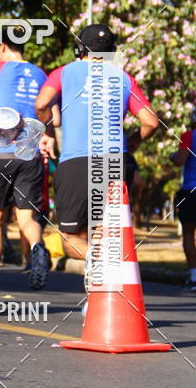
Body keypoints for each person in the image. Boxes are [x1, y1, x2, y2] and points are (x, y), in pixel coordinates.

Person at [35, 24, 159, 264]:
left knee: (71, 237)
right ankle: (99, 295)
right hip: (117, 162)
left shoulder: (64, 72)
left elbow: (41, 104)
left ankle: (100, 263)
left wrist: (48, 132)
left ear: (79, 48)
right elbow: (151, 122)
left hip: (78, 162)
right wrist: (132, 141)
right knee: (103, 234)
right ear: (112, 51)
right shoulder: (124, 79)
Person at [0, 30, 50, 300]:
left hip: (0, 153)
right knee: (26, 218)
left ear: (2, 46)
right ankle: (38, 246)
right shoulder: (41, 73)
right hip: (29, 154)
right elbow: (49, 113)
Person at [171, 106, 196, 291]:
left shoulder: (189, 136)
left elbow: (180, 160)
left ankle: (194, 277)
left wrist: (173, 156)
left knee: (188, 232)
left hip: (191, 191)